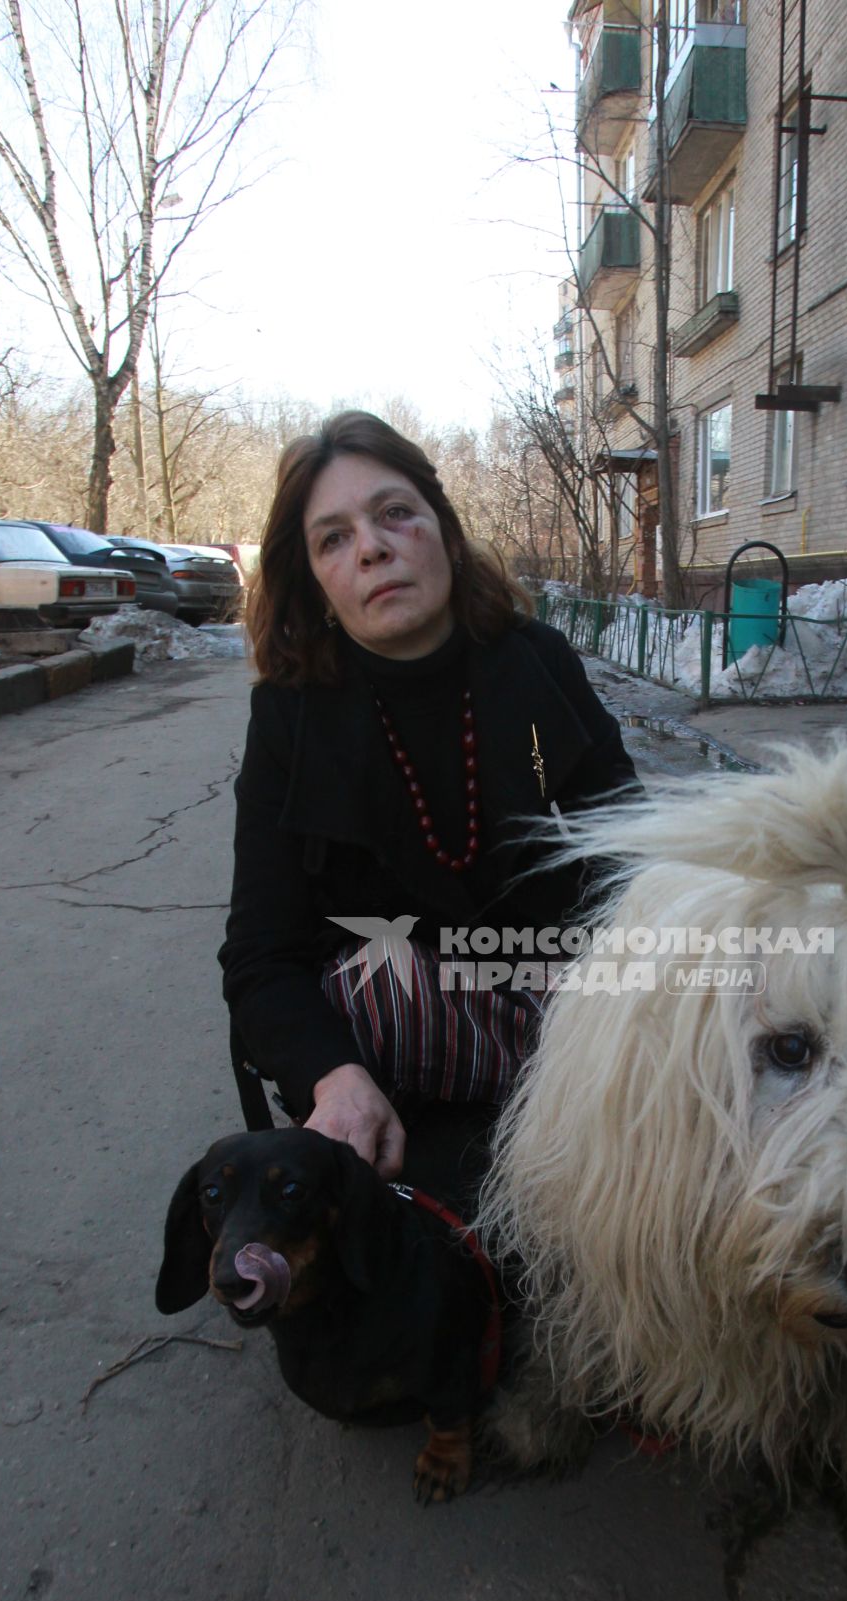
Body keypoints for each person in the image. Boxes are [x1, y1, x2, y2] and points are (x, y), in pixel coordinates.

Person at [218, 411, 640, 1180]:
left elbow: (630, 862)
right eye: (334, 538)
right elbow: (261, 955)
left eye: (394, 514)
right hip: (395, 1076)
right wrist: (333, 1077)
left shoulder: (536, 664)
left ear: (443, 532)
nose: (373, 547)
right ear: (314, 580)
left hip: (570, 1033)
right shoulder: (290, 715)